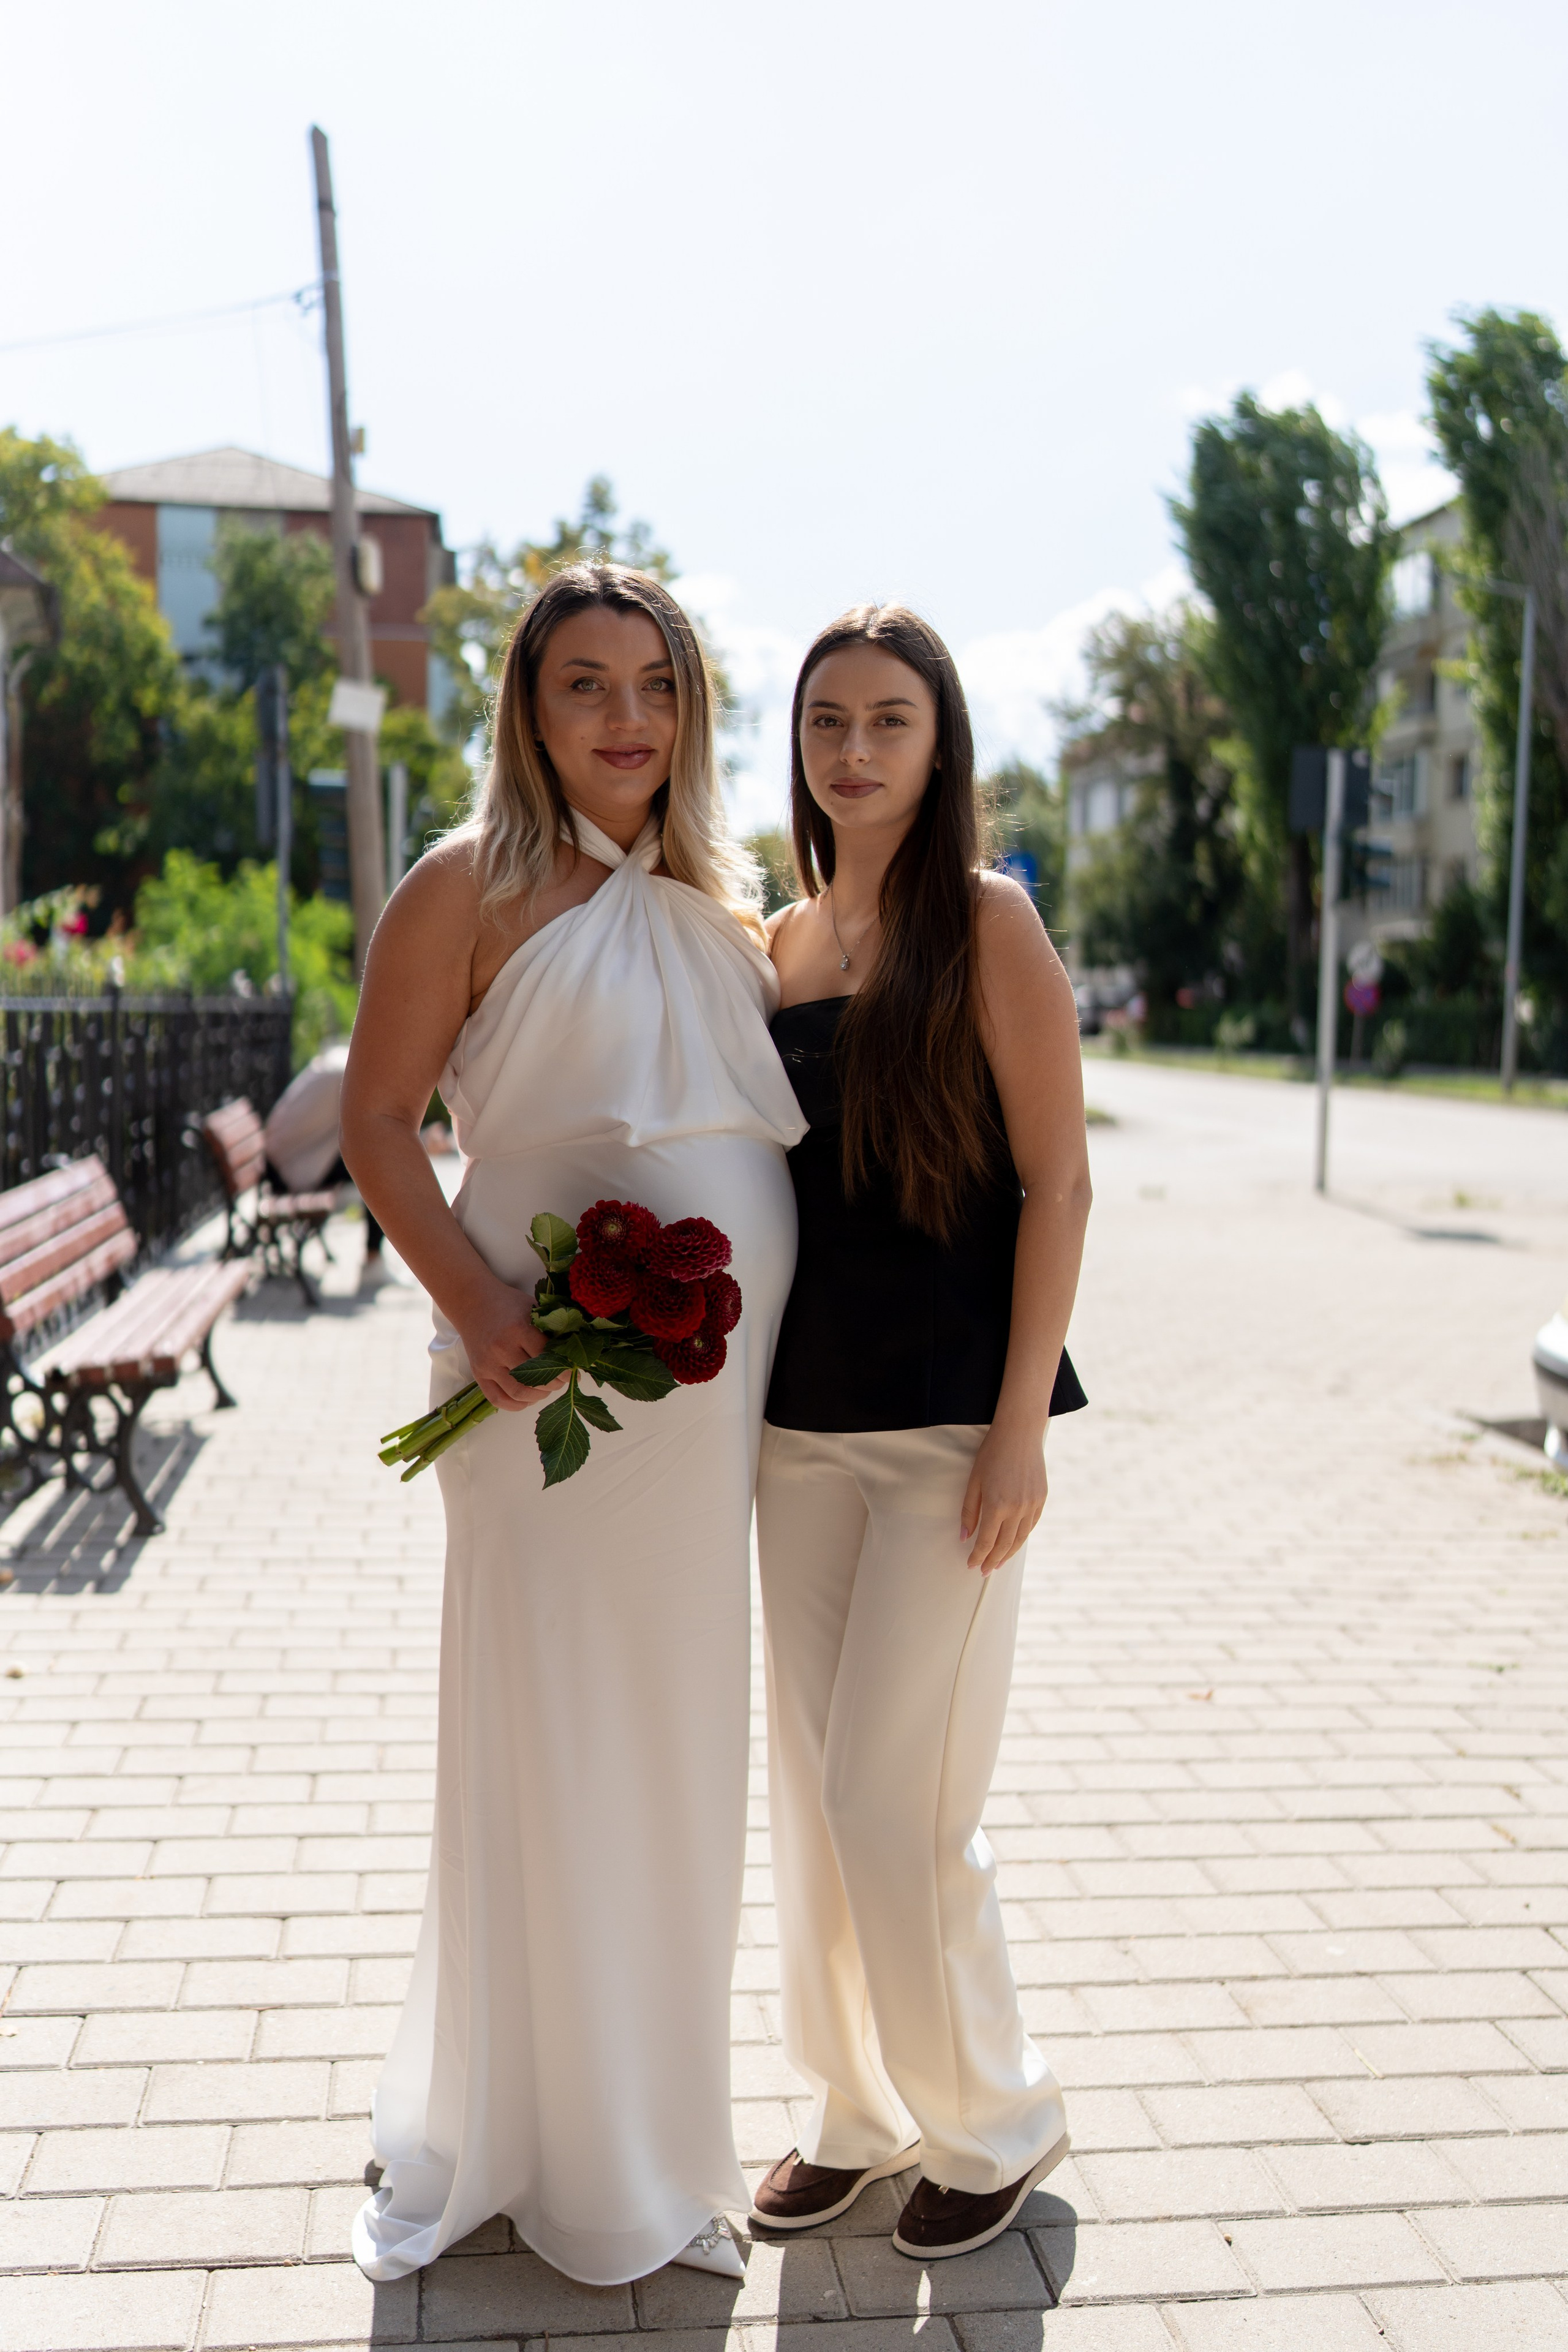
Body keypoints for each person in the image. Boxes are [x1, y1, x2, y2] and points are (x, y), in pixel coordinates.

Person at [340, 565, 805, 2286]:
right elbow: (378, 1122)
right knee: (554, 1743)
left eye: (656, 686)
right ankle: (542, 2145)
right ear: (528, 712)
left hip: (699, 1426)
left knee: (676, 1749)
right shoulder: (464, 884)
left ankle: (655, 2143)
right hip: (534, 1390)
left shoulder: (719, 901)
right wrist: (481, 1309)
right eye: (586, 685)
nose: (626, 718)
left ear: (692, 712)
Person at [750, 604, 1091, 2262]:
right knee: (813, 1802)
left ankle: (993, 2120)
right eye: (827, 719)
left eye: (888, 717)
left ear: (939, 739)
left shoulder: (988, 920)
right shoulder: (778, 942)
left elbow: (1059, 1182)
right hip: (797, 1426)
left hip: (953, 1426)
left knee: (897, 1799)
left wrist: (1022, 1424)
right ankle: (854, 2112)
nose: (854, 747)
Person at [263, 1040, 383, 1262]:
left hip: (283, 1160)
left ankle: (374, 1257)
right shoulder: (349, 1075)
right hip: (291, 1168)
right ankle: (373, 1259)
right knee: (380, 1170)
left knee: (377, 1164)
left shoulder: (343, 1061)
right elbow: (372, 1131)